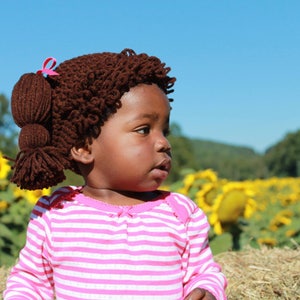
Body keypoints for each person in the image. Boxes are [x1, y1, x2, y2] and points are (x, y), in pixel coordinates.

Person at [4, 49, 227, 299]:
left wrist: (207, 289)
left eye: (165, 131)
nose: (164, 143)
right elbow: (31, 281)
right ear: (83, 147)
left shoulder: (181, 214)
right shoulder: (55, 214)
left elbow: (203, 271)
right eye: (144, 130)